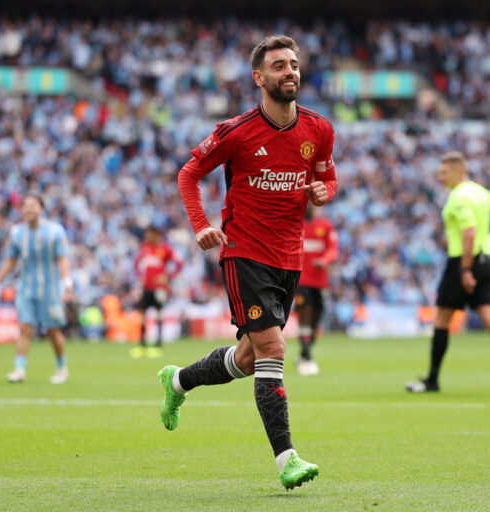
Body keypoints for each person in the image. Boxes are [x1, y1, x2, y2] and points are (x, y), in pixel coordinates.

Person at [159, 34, 337, 489]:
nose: (289, 72)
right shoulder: (236, 131)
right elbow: (189, 173)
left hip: (289, 258)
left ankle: (178, 381)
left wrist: (325, 191)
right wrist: (201, 224)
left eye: (294, 64)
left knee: (248, 357)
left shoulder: (318, 128)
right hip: (245, 253)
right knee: (275, 351)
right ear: (259, 78)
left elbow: (326, 174)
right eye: (278, 66)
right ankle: (287, 460)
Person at [406, 152, 490, 394]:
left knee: (441, 320)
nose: (439, 176)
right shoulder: (478, 191)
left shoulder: (459, 197)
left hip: (463, 263)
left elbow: (469, 232)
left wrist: (465, 270)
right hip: (486, 262)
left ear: (457, 172)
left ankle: (432, 381)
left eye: (443, 172)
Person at [0, 194, 73, 384]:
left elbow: (62, 259)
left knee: (52, 330)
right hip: (26, 289)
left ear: (41, 208)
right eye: (25, 206)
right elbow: (10, 261)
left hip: (49, 290)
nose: (28, 209)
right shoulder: (17, 233)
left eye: (33, 205)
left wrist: (67, 283)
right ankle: (19, 370)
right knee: (24, 328)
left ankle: (61, 367)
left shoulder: (55, 231)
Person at [295, 204, 339, 376]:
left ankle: (302, 355)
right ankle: (308, 358)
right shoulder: (295, 225)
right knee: (304, 318)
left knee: (315, 321)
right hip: (300, 280)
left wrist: (324, 260)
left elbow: (333, 250)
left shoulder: (326, 226)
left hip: (320, 282)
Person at [131, 226, 183, 358]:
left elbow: (179, 263)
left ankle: (157, 345)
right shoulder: (145, 247)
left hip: (159, 288)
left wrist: (168, 277)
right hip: (146, 287)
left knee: (158, 312)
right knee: (143, 313)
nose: (147, 237)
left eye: (149, 234)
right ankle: (142, 345)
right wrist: (140, 276)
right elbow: (137, 263)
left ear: (156, 234)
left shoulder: (165, 248)